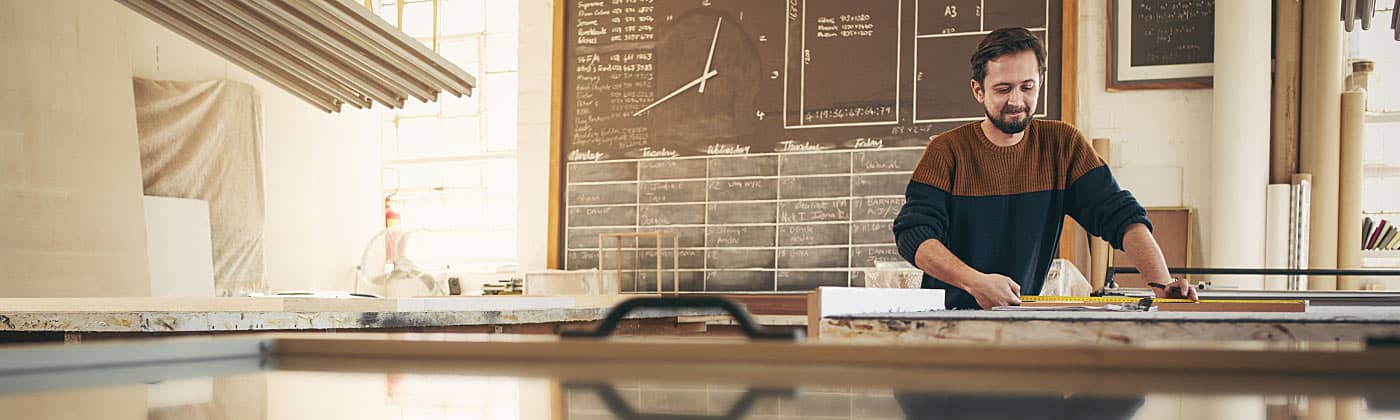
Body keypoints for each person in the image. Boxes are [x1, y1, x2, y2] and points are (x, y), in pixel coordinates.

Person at [892, 27, 1198, 310]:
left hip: (1020, 320)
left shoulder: (1063, 146)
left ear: (1040, 82)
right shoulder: (946, 151)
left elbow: (1121, 216)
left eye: (1027, 87)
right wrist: (975, 283)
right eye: (1003, 89)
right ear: (978, 90)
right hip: (946, 324)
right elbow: (914, 234)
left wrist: (1162, 283)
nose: (1017, 101)